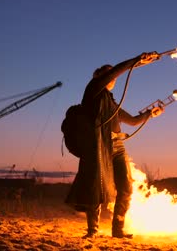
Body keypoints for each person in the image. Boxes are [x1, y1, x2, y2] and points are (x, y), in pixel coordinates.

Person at [65, 52, 163, 238]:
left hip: (118, 147)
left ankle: (118, 230)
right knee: (96, 187)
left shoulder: (111, 103)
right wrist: (137, 60)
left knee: (126, 187)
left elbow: (133, 121)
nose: (114, 77)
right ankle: (92, 231)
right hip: (99, 146)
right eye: (109, 73)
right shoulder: (92, 90)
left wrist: (151, 114)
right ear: (99, 76)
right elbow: (116, 72)